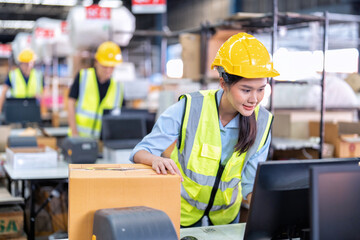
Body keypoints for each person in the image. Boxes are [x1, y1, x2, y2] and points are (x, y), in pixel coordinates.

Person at [130, 33, 280, 227]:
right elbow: (140, 152)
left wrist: (270, 214)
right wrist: (156, 159)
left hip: (225, 219)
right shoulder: (190, 108)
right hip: (181, 212)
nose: (254, 99)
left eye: (261, 89)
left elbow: (251, 184)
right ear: (223, 83)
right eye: (246, 89)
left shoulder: (262, 122)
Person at [67, 41, 124, 138]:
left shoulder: (118, 87)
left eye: (112, 67)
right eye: (105, 66)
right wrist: (74, 133)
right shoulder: (83, 77)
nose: (108, 70)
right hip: (80, 138)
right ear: (96, 62)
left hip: (103, 142)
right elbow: (70, 104)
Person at [0, 48, 44, 113]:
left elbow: (45, 92)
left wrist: (40, 96)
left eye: (30, 63)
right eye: (26, 63)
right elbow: (3, 93)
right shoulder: (13, 75)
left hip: (33, 108)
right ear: (21, 63)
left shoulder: (38, 75)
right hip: (16, 109)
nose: (28, 66)